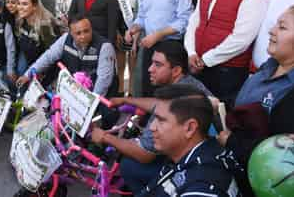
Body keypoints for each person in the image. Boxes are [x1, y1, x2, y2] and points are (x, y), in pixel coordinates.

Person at [91, 41, 214, 194]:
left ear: (176, 70)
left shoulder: (172, 100)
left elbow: (144, 155)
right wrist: (126, 100)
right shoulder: (190, 85)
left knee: (129, 165)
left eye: (157, 65)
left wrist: (104, 137)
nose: (150, 69)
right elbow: (156, 104)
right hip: (205, 155)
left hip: (191, 169)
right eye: (151, 63)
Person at [218, 6, 294, 196]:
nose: (272, 30)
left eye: (283, 27)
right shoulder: (265, 69)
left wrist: (232, 142)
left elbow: (280, 156)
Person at [184, 0, 269, 106]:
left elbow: (242, 38)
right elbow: (194, 23)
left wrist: (206, 59)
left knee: (221, 121)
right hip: (198, 65)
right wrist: (191, 52)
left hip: (227, 72)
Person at [17, 15, 118, 128]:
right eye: (78, 33)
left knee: (102, 124)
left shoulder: (105, 47)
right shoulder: (65, 39)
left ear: (91, 28)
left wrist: (89, 105)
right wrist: (28, 74)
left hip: (100, 93)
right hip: (77, 90)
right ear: (71, 32)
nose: (83, 36)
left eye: (86, 31)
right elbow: (48, 57)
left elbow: (103, 81)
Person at [142, 85, 241, 197]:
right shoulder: (187, 155)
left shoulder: (203, 186)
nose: (152, 127)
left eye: (161, 120)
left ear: (190, 128)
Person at [125, 0, 193, 96]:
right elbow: (142, 17)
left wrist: (159, 34)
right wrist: (134, 28)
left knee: (167, 94)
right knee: (148, 88)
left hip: (171, 46)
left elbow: (185, 19)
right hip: (149, 46)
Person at [112, 0, 145, 96]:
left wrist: (135, 33)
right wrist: (115, 31)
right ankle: (120, 91)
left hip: (135, 25)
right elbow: (113, 9)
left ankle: (131, 92)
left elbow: (142, 11)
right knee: (119, 64)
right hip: (119, 25)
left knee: (133, 62)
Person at [13, 0, 60, 74]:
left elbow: (52, 54)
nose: (20, 7)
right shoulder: (20, 20)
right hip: (29, 61)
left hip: (44, 68)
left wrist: (40, 73)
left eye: (25, 4)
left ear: (34, 6)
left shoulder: (45, 26)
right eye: (19, 3)